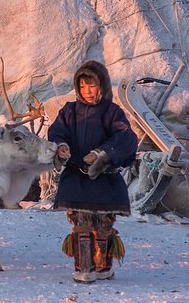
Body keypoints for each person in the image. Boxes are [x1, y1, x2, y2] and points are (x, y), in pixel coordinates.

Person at [47, 60, 138, 283]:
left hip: (105, 181)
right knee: (82, 225)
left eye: (93, 85)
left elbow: (126, 138)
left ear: (103, 85)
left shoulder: (112, 112)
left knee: (103, 225)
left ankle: (102, 266)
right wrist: (61, 146)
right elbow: (57, 132)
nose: (88, 91)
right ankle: (84, 268)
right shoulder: (69, 111)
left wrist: (101, 153)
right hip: (77, 179)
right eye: (83, 86)